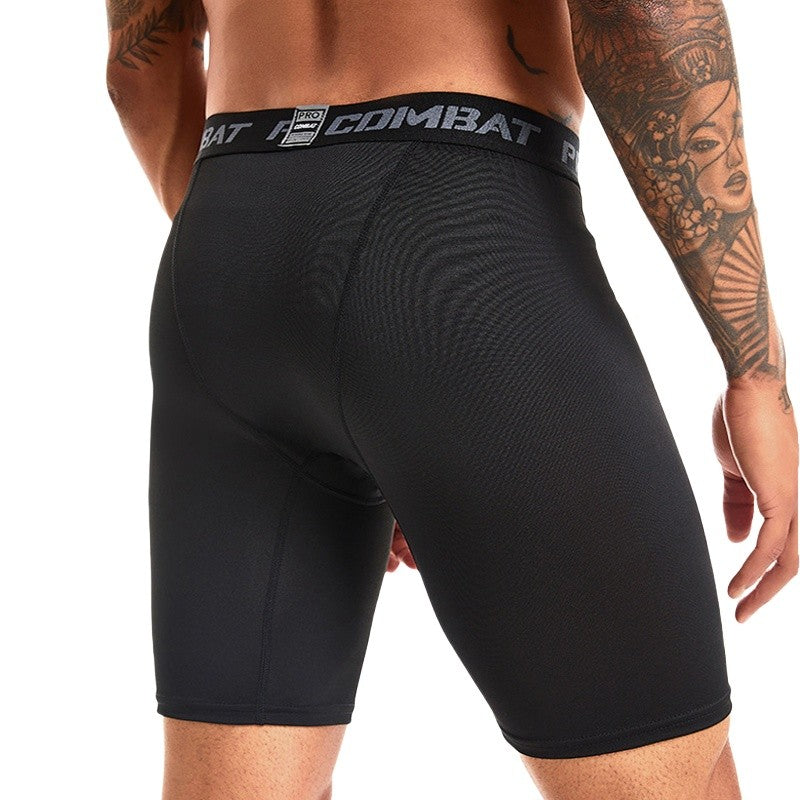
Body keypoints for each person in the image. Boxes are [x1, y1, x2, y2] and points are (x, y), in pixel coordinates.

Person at [105, 1, 798, 798]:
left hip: (227, 248)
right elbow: (645, 15)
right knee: (675, 776)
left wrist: (301, 295)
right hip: (456, 236)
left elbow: (139, 68)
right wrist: (758, 374)